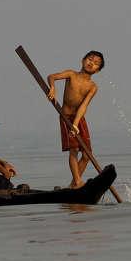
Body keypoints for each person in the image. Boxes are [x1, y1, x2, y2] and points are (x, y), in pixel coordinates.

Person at [47, 51, 104, 189]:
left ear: (97, 70)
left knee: (86, 155)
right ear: (82, 60)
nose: (92, 63)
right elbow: (52, 76)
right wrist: (53, 88)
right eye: (90, 59)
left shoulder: (92, 87)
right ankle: (78, 182)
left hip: (79, 119)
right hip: (66, 116)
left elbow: (84, 106)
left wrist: (76, 124)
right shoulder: (71, 74)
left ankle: (74, 183)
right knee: (74, 150)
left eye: (96, 63)